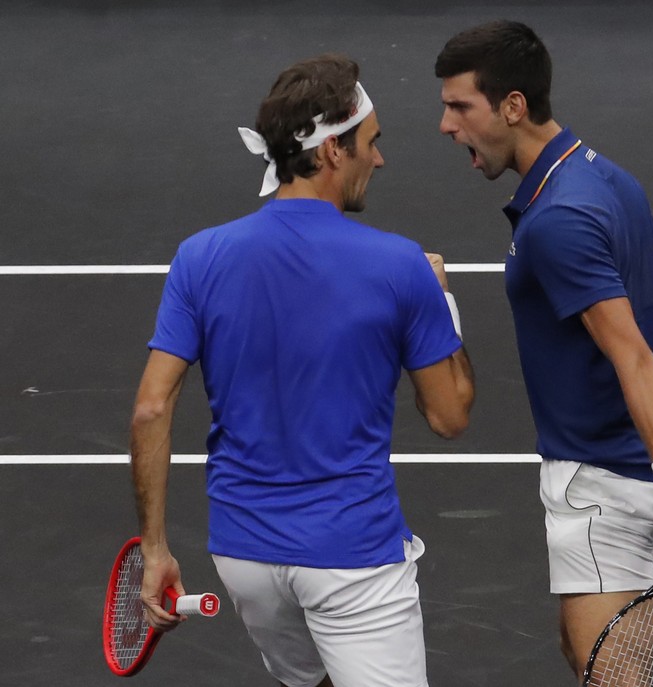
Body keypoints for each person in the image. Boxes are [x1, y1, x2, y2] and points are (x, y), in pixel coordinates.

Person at [130, 54, 474, 687]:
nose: (380, 160)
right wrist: (442, 299)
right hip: (353, 557)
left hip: (244, 557)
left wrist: (154, 549)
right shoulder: (399, 265)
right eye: (372, 143)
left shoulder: (198, 257)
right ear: (333, 151)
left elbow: (151, 407)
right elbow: (450, 416)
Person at [435, 21, 653, 681]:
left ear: (512, 105)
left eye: (459, 106)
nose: (445, 125)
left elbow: (632, 356)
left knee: (610, 673)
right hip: (627, 473)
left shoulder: (557, 222)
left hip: (600, 489)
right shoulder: (604, 180)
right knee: (584, 654)